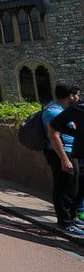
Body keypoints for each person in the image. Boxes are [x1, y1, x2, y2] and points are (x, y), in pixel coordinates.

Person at [45, 83, 84, 235]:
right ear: (71, 96)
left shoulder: (67, 109)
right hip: (65, 153)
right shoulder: (53, 111)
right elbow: (53, 132)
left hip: (73, 153)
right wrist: (64, 159)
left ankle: (72, 218)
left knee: (78, 188)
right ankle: (65, 222)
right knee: (65, 189)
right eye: (77, 95)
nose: (79, 98)